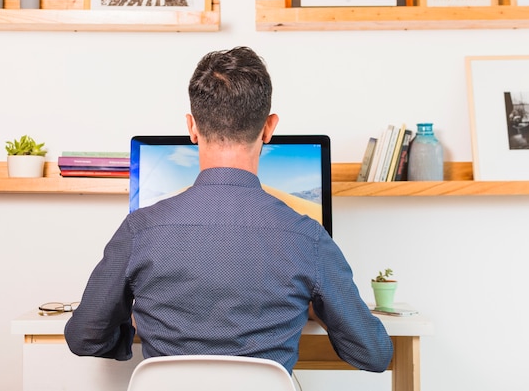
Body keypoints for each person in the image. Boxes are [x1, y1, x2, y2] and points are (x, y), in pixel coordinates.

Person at [64, 46, 393, 373]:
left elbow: (83, 337)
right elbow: (374, 354)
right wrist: (317, 306)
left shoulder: (139, 230)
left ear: (192, 127)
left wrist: (132, 328)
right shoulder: (307, 238)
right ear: (269, 128)